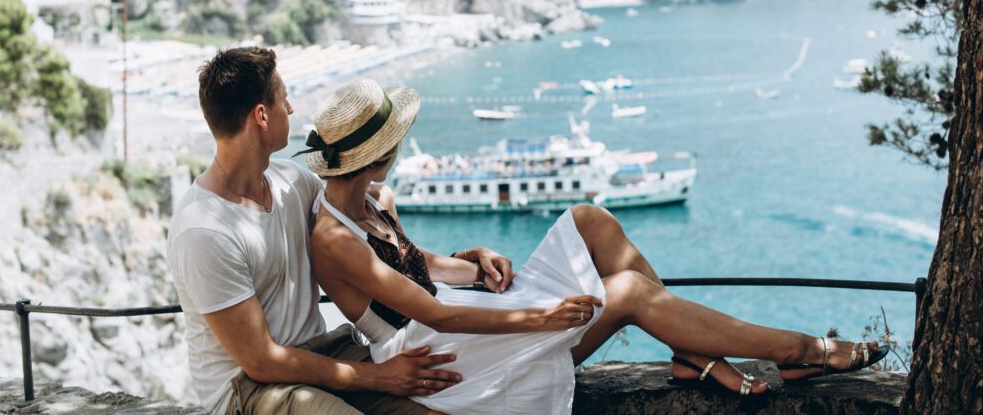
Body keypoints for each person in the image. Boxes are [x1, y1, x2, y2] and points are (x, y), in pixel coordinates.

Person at [306, 79, 889, 414]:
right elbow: (427, 309)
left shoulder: (378, 199)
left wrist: (474, 257)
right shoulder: (332, 239)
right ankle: (808, 349)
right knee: (629, 292)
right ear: (379, 151)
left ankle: (692, 353)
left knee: (591, 218)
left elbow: (424, 269)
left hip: (457, 322)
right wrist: (544, 317)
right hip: (436, 356)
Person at [168, 47, 516, 414]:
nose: (290, 109)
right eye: (284, 99)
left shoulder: (292, 181)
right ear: (261, 116)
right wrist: (380, 376)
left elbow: (365, 218)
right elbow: (262, 361)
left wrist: (466, 260)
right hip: (249, 389)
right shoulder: (204, 230)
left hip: (324, 351)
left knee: (450, 403)